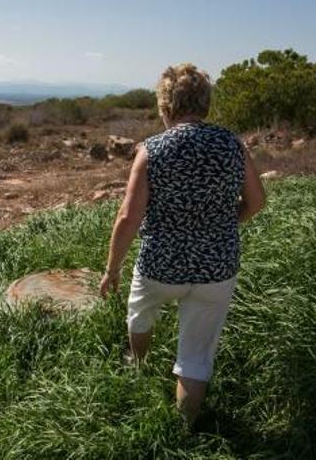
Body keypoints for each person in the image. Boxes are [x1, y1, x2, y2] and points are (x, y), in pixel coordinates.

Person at [99, 63, 266, 424]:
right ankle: (181, 432)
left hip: (161, 265)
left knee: (140, 314)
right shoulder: (232, 145)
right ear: (205, 104)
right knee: (195, 356)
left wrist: (112, 269)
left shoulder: (151, 150)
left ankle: (138, 362)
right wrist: (222, 223)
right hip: (217, 267)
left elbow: (128, 217)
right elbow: (256, 202)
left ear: (165, 107)